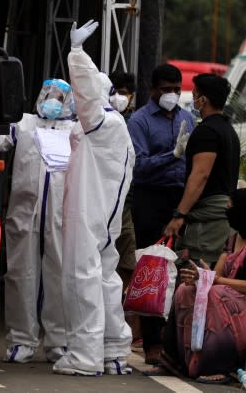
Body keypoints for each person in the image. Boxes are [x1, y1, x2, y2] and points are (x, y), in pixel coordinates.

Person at [52, 19, 135, 376]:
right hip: (102, 216)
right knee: (104, 278)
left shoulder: (103, 124)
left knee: (82, 277)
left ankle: (85, 356)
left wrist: (76, 54)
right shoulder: (114, 125)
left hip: (90, 215)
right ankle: (113, 351)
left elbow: (86, 100)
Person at [160, 188, 246, 384]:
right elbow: (217, 276)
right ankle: (175, 361)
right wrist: (200, 278)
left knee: (218, 294)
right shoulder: (233, 239)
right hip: (236, 296)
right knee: (186, 290)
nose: (227, 211)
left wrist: (215, 281)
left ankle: (220, 367)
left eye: (231, 207)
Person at [0, 79, 77, 363]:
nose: (53, 100)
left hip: (60, 214)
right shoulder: (24, 124)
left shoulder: (74, 131)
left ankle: (58, 341)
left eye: (59, 96)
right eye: (49, 94)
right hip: (24, 212)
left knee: (59, 274)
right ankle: (21, 339)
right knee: (20, 274)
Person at [126, 63, 196, 364]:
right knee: (152, 269)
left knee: (182, 270)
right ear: (154, 89)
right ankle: (152, 342)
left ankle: (175, 343)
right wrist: (173, 155)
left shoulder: (186, 118)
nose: (172, 94)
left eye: (176, 89)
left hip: (179, 199)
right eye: (166, 89)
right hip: (149, 198)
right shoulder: (140, 121)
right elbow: (138, 165)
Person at [165, 74, 241, 266]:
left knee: (197, 278)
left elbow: (200, 175)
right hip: (222, 216)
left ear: (203, 99)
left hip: (208, 221)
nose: (193, 99)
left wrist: (179, 215)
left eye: (195, 94)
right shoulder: (227, 129)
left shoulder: (207, 132)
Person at [109, 71, 139, 349]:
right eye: (116, 90)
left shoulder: (134, 123)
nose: (120, 96)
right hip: (102, 206)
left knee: (126, 264)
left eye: (125, 91)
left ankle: (116, 315)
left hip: (125, 206)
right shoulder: (100, 121)